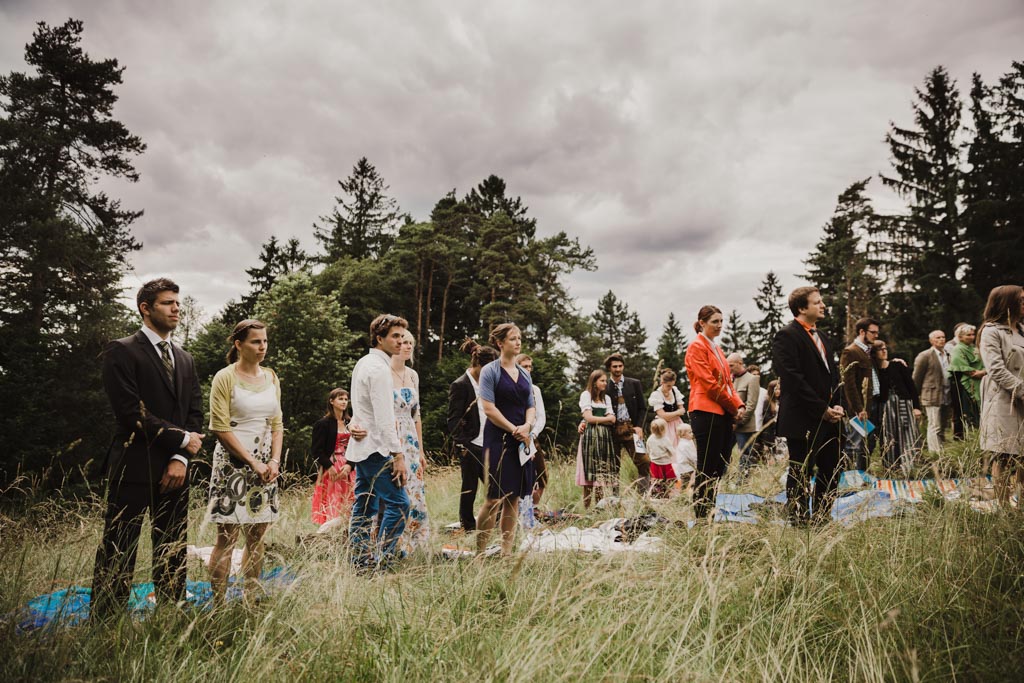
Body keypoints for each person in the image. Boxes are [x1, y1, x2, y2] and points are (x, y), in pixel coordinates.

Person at [92, 278, 204, 621]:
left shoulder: (184, 358)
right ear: (145, 308)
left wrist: (179, 457)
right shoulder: (122, 350)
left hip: (176, 469)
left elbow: (195, 414)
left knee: (172, 548)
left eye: (177, 303)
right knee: (119, 545)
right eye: (168, 303)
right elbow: (131, 412)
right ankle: (106, 621)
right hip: (134, 463)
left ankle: (171, 615)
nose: (176, 309)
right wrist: (182, 440)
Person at [206, 319, 284, 603]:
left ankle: (251, 599)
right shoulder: (224, 377)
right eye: (255, 341)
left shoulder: (272, 377)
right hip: (233, 464)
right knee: (227, 538)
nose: (262, 347)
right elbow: (219, 426)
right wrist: (252, 462)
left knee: (258, 536)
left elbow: (277, 423)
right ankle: (218, 604)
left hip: (266, 466)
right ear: (239, 345)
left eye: (264, 341)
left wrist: (274, 461)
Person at [772, 287, 845, 525]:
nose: (823, 305)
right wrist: (821, 408)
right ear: (802, 308)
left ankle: (823, 516)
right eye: (817, 302)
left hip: (830, 417)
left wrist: (837, 405)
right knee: (801, 471)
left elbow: (833, 375)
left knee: (832, 469)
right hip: (803, 418)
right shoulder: (787, 335)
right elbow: (793, 379)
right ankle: (801, 520)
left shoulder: (822, 337)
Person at [348, 314, 411, 572]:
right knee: (399, 504)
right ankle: (382, 560)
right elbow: (385, 418)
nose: (400, 341)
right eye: (395, 336)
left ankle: (360, 560)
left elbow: (361, 406)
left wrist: (354, 423)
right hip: (377, 447)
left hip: (363, 447)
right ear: (379, 338)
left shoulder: (364, 363)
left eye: (402, 336)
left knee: (365, 504)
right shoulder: (379, 369)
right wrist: (398, 454)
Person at [476, 323, 536, 556]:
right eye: (512, 338)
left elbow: (530, 405)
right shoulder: (490, 371)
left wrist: (528, 426)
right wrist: (513, 429)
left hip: (522, 440)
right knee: (494, 498)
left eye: (519, 338)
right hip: (499, 439)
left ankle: (506, 551)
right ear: (500, 343)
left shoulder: (524, 373)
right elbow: (489, 408)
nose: (518, 342)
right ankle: (479, 553)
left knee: (514, 497)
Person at [684, 305, 744, 521]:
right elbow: (710, 384)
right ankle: (701, 516)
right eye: (714, 322)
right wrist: (733, 407)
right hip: (705, 412)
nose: (719, 326)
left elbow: (728, 383)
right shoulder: (696, 347)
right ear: (702, 323)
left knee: (720, 466)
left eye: (721, 321)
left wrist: (739, 405)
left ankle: (710, 508)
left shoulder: (718, 349)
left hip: (723, 413)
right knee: (707, 467)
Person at [977, 285, 1024, 506]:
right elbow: (996, 370)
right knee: (1004, 455)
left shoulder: (1022, 329)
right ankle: (1004, 508)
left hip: (1022, 399)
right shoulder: (991, 331)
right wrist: (1022, 390)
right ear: (1007, 303)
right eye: (1022, 300)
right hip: (1004, 401)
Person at [447, 340, 498, 532]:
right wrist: (463, 445)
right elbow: (453, 419)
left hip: (490, 442)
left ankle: (496, 523)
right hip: (470, 444)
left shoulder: (490, 383)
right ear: (476, 364)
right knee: (470, 487)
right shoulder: (460, 385)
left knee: (497, 487)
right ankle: (467, 526)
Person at [391, 330, 430, 554]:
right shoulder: (383, 373)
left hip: (411, 439)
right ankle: (393, 543)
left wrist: (421, 451)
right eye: (403, 342)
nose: (407, 346)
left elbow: (416, 415)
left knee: (415, 491)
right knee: (397, 491)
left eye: (410, 343)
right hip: (392, 437)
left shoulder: (413, 375)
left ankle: (414, 545)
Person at [872, 340, 923, 475]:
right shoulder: (874, 370)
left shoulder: (898, 365)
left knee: (908, 433)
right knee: (888, 436)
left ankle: (910, 467)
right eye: (879, 349)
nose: (884, 351)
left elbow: (911, 387)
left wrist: (916, 407)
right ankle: (891, 467)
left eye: (885, 348)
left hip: (903, 403)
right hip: (885, 407)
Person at [604, 353, 650, 493]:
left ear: (623, 366)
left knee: (644, 461)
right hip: (612, 430)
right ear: (609, 368)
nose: (618, 369)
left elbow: (643, 408)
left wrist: (639, 426)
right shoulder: (604, 385)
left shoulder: (634, 383)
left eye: (620, 366)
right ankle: (615, 497)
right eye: (614, 367)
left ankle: (643, 495)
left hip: (632, 428)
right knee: (613, 465)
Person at [841, 317, 882, 471]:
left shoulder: (867, 351)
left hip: (871, 404)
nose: (876, 336)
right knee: (855, 444)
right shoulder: (850, 351)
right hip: (859, 409)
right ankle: (847, 477)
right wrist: (858, 409)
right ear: (862, 332)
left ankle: (861, 476)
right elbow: (849, 385)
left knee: (868, 442)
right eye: (873, 332)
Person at [311, 389, 357, 526]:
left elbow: (357, 446)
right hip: (332, 465)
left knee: (351, 499)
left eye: (345, 399)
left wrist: (350, 465)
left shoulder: (351, 422)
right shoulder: (323, 424)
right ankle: (330, 533)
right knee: (333, 499)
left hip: (349, 466)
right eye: (340, 399)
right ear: (332, 401)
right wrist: (328, 466)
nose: (344, 402)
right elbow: (316, 450)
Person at [576, 368, 618, 508]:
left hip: (604, 437)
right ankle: (587, 508)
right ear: (594, 382)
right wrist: (605, 419)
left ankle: (598, 508)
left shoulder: (606, 398)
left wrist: (600, 419)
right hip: (590, 436)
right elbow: (589, 418)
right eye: (602, 381)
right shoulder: (586, 395)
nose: (605, 383)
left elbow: (613, 419)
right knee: (590, 474)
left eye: (605, 381)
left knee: (601, 476)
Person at [516, 354, 548, 506]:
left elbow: (541, 416)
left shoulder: (535, 390)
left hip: (532, 437)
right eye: (524, 366)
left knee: (542, 478)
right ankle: (518, 512)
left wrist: (533, 435)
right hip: (516, 437)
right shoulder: (512, 388)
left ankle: (532, 510)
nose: (528, 370)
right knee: (521, 480)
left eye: (530, 367)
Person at [913, 330, 952, 454]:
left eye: (943, 337)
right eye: (938, 337)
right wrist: (915, 399)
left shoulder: (948, 354)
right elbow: (916, 378)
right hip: (931, 395)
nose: (941, 339)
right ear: (931, 341)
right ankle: (935, 453)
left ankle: (940, 450)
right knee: (934, 425)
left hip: (946, 394)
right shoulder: (925, 355)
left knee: (942, 425)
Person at [727, 353, 760, 474]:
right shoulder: (729, 378)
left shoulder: (752, 379)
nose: (729, 368)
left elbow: (751, 405)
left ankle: (743, 482)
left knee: (745, 456)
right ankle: (723, 479)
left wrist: (738, 423)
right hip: (729, 425)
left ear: (740, 363)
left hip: (744, 426)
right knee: (724, 453)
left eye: (731, 365)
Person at [948, 324, 986, 431]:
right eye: (968, 335)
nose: (971, 337)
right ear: (960, 337)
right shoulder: (958, 349)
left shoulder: (974, 348)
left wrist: (984, 371)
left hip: (981, 380)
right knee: (970, 412)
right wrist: (981, 372)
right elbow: (965, 369)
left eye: (973, 334)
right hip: (968, 384)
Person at [648, 369, 686, 447]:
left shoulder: (675, 390)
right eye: (668, 385)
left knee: (681, 447)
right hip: (663, 426)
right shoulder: (657, 395)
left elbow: (682, 411)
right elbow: (662, 416)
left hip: (677, 425)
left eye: (672, 385)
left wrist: (670, 416)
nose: (670, 388)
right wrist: (677, 413)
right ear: (662, 383)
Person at [646, 418, 676, 498]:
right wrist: (671, 456)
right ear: (663, 430)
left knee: (656, 479)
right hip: (665, 462)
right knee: (668, 480)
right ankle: (667, 494)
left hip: (654, 463)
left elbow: (648, 449)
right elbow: (672, 451)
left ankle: (657, 494)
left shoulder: (650, 438)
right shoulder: (665, 439)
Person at [754, 380, 782, 463]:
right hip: (770, 431)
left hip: (779, 432)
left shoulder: (781, 401)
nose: (778, 391)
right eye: (776, 389)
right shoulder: (768, 401)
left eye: (779, 389)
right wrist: (775, 421)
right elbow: (766, 417)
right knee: (769, 453)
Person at [674, 423, 698, 491]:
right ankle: (683, 495)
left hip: (687, 467)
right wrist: (697, 461)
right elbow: (692, 456)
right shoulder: (685, 445)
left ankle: (686, 494)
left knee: (688, 482)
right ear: (683, 435)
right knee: (686, 482)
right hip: (686, 468)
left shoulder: (689, 441)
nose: (692, 433)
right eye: (690, 432)